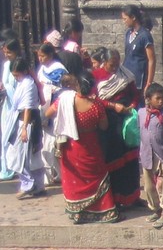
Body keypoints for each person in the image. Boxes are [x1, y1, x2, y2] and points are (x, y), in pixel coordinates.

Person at [44, 73, 115, 223]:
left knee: (74, 178)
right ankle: (103, 211)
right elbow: (104, 126)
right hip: (91, 145)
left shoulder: (64, 100)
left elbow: (48, 113)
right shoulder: (96, 105)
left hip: (72, 146)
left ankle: (78, 213)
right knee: (96, 176)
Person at [92, 47, 142, 209]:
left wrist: (132, 105)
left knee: (131, 160)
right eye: (111, 65)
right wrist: (113, 106)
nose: (115, 69)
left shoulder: (125, 74)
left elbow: (135, 94)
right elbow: (94, 99)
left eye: (117, 64)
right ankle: (116, 198)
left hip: (127, 120)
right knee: (115, 161)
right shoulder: (96, 77)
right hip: (110, 122)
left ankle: (133, 197)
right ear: (104, 62)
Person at [138, 83, 163, 227]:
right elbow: (140, 130)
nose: (161, 101)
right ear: (148, 99)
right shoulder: (141, 113)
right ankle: (155, 209)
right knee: (149, 186)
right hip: (147, 155)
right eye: (158, 98)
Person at [6, 58, 44, 199]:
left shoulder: (29, 84)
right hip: (22, 120)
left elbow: (28, 108)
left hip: (28, 122)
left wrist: (23, 128)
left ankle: (29, 184)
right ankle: (38, 185)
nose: (16, 78)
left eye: (17, 75)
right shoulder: (23, 83)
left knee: (20, 156)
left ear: (24, 72)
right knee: (30, 156)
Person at [36, 42, 67, 185]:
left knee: (54, 144)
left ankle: (59, 174)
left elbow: (62, 88)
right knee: (46, 143)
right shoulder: (42, 69)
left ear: (50, 55)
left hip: (55, 110)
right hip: (44, 107)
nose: (40, 59)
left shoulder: (59, 69)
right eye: (39, 56)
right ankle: (50, 174)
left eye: (42, 56)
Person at [122, 4, 156, 99]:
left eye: (125, 19)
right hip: (127, 77)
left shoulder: (145, 35)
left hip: (139, 79)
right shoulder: (128, 33)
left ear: (133, 17)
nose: (124, 21)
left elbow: (152, 60)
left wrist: (148, 83)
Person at [0, 38, 21, 180]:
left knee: (14, 137)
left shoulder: (19, 64)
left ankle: (14, 166)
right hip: (7, 105)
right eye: (5, 52)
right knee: (5, 137)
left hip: (16, 105)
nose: (6, 54)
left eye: (9, 52)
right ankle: (5, 167)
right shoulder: (6, 64)